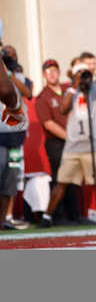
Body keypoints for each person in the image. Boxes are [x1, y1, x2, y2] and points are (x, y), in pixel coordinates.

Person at [39, 52, 96, 227]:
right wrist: (75, 84)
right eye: (79, 73)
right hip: (73, 145)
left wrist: (95, 74)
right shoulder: (70, 92)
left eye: (84, 73)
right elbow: (63, 109)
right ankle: (46, 217)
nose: (83, 76)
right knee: (61, 182)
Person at [34, 59, 80, 224]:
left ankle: (75, 214)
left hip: (74, 141)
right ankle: (58, 215)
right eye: (48, 71)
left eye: (54, 70)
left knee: (74, 178)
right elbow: (48, 124)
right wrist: (69, 137)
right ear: (44, 75)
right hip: (57, 143)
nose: (52, 74)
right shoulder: (43, 97)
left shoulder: (69, 90)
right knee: (59, 178)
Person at [0, 59, 28, 231]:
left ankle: (3, 219)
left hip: (15, 134)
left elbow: (28, 93)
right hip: (0, 133)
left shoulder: (17, 76)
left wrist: (8, 73)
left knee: (10, 179)